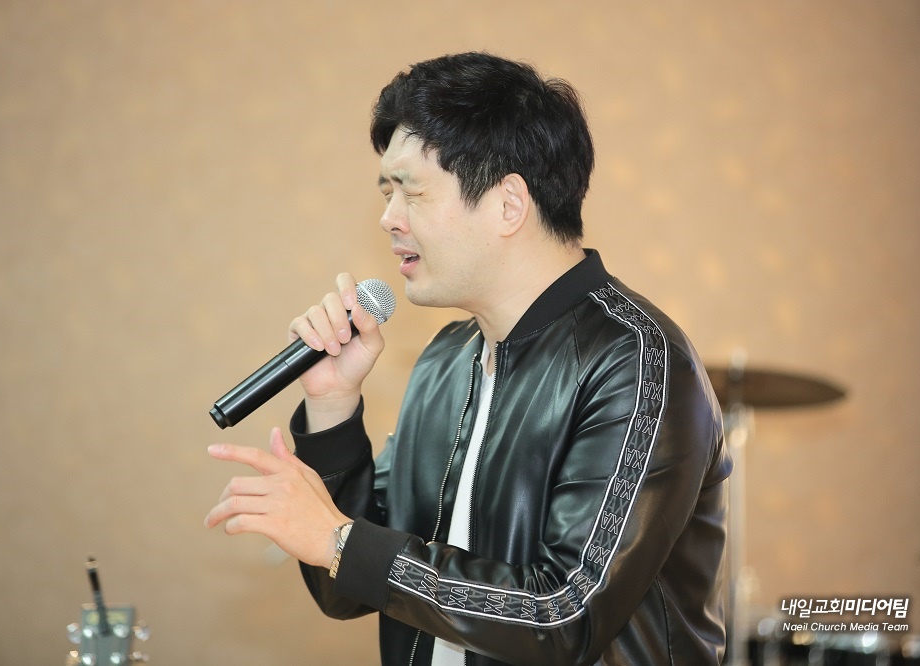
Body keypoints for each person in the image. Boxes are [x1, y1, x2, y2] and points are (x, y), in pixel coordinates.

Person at [205, 52, 731, 665]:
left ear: (509, 204)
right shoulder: (445, 360)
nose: (387, 219)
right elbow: (344, 588)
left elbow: (564, 616)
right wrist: (331, 406)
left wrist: (340, 542)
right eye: (386, 193)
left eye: (411, 191)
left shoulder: (635, 361)